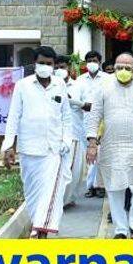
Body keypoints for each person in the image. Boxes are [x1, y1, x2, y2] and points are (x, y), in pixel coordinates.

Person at [85, 52, 133, 239]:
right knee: (114, 189)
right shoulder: (104, 86)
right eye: (119, 67)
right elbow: (94, 116)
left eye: (128, 67)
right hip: (112, 147)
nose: (123, 71)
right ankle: (120, 229)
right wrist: (92, 144)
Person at [1, 46, 73, 238]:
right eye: (41, 63)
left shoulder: (59, 84)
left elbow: (67, 116)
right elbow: (13, 117)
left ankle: (40, 231)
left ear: (54, 65)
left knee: (51, 191)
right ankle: (37, 224)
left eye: (49, 64)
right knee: (33, 193)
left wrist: (66, 140)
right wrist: (8, 146)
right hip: (29, 149)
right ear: (35, 63)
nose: (45, 67)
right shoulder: (23, 85)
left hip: (54, 150)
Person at [76, 51, 109, 199]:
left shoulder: (108, 79)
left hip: (103, 122)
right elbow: (76, 100)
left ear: (100, 62)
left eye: (94, 60)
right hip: (85, 121)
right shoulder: (80, 80)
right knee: (89, 154)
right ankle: (90, 186)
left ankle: (100, 185)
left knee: (100, 154)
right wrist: (85, 106)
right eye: (89, 60)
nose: (92, 63)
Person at [55, 55, 85, 207]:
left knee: (73, 170)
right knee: (57, 169)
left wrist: (69, 99)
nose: (60, 70)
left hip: (74, 132)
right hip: (55, 134)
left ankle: (67, 200)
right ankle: (58, 200)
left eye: (63, 67)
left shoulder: (78, 86)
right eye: (57, 67)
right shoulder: (51, 86)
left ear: (69, 69)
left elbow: (89, 106)